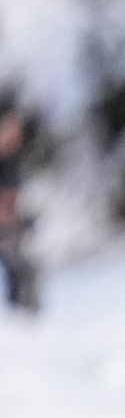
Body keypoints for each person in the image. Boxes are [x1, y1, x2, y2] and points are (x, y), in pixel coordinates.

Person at [0, 102, 35, 315]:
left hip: (9, 227)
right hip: (5, 227)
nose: (16, 135)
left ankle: (22, 315)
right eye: (10, 130)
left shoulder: (11, 162)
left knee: (21, 269)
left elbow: (13, 198)